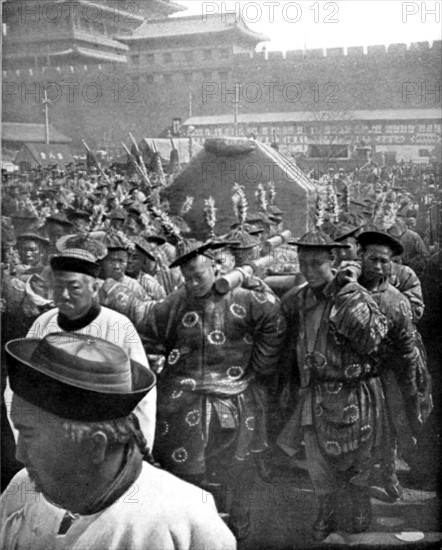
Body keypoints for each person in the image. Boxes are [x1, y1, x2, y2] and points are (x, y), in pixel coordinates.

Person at [99, 239, 286, 539]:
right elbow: (147, 316)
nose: (194, 283)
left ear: (215, 267)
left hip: (235, 393)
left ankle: (238, 523)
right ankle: (191, 527)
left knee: (236, 468)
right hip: (183, 397)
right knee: (184, 473)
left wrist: (261, 363)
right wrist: (109, 289)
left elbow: (275, 322)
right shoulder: (178, 300)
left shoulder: (249, 296)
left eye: (199, 275)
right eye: (187, 278)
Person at [1, 333, 236, 550]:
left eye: (29, 435)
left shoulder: (185, 522)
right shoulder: (21, 489)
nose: (20, 454)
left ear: (95, 446)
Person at [277, 230, 390, 541]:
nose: (309, 271)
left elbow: (372, 338)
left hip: (355, 388)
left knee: (359, 456)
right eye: (303, 263)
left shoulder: (354, 293)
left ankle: (359, 505)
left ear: (333, 260)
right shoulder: (297, 300)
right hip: (316, 391)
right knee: (317, 460)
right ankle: (325, 510)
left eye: (316, 264)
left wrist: (348, 291)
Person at [5, 234, 157, 449]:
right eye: (58, 287)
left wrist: (140, 450)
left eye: (74, 288)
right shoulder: (44, 322)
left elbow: (143, 398)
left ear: (94, 289)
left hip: (101, 441)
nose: (64, 295)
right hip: (48, 439)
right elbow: (19, 383)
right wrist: (26, 437)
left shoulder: (118, 325)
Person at [356, 231, 422, 500]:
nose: (379, 267)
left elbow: (407, 346)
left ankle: (388, 472)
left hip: (388, 368)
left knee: (390, 422)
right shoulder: (344, 285)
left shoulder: (399, 293)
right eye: (373, 260)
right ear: (360, 256)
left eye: (385, 261)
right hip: (352, 372)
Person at [126, 236, 166, 301]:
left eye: (135, 258)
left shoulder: (151, 285)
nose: (129, 260)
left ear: (144, 260)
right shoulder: (114, 276)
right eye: (127, 255)